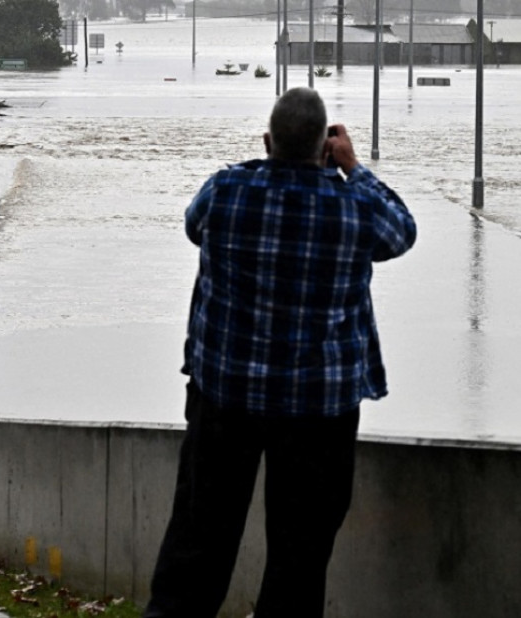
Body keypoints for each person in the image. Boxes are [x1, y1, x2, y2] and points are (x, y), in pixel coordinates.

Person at [143, 87, 417, 618]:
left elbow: (193, 227)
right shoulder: (354, 208)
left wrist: (272, 161)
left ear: (268, 141)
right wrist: (353, 167)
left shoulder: (225, 192)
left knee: (198, 541)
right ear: (326, 148)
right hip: (319, 410)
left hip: (225, 397)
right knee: (301, 554)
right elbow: (401, 232)